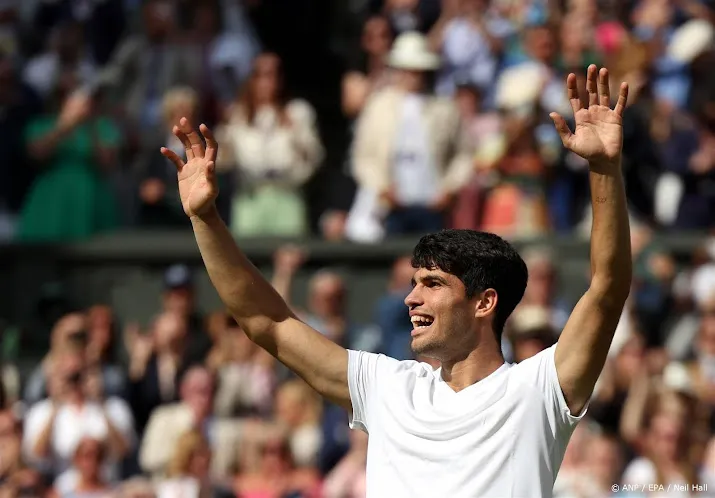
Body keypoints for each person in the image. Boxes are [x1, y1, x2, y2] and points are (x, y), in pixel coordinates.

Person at [160, 64, 632, 496]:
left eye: (432, 284)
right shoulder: (387, 387)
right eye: (414, 282)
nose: (411, 298)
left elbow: (607, 288)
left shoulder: (539, 390)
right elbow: (267, 321)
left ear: (484, 303)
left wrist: (604, 169)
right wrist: (205, 220)